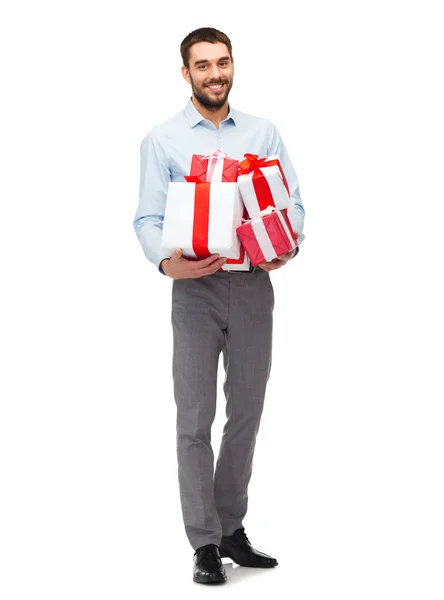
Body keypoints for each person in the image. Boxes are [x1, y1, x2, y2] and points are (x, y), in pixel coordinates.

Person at [133, 27, 305, 585]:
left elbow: (293, 203)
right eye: (202, 65)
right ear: (186, 73)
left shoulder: (264, 131)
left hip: (254, 283)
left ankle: (231, 527)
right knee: (194, 417)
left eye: (223, 62)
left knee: (247, 412)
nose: (215, 73)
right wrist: (166, 265)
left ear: (233, 66)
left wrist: (287, 244)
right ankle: (204, 542)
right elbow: (147, 219)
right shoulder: (162, 140)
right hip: (195, 291)